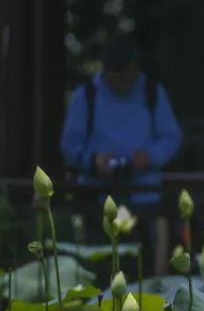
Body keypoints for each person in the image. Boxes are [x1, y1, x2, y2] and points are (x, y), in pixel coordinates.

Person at [60, 37, 182, 253]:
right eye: (118, 74)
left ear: (136, 68)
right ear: (105, 71)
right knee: (99, 262)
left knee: (143, 265)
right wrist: (94, 160)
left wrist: (150, 156)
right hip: (98, 198)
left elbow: (171, 137)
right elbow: (69, 144)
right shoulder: (87, 95)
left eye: (129, 72)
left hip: (144, 197)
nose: (124, 79)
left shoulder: (152, 92)